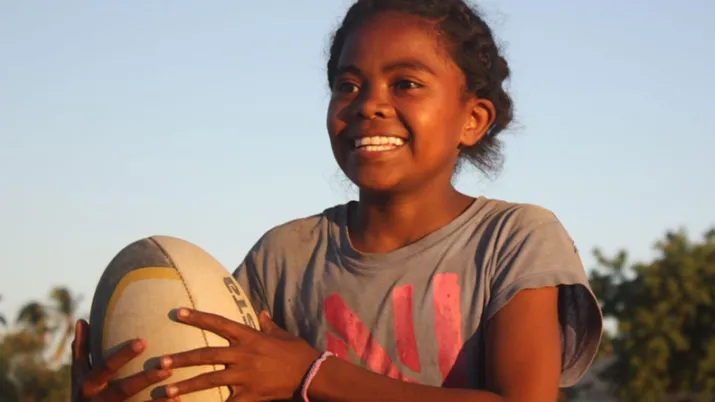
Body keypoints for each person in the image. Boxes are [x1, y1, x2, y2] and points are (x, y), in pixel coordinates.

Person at [71, 0, 604, 401]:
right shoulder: (284, 257)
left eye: (406, 83)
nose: (369, 104)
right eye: (348, 85)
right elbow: (220, 384)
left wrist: (314, 374)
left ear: (473, 119)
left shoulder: (515, 240)